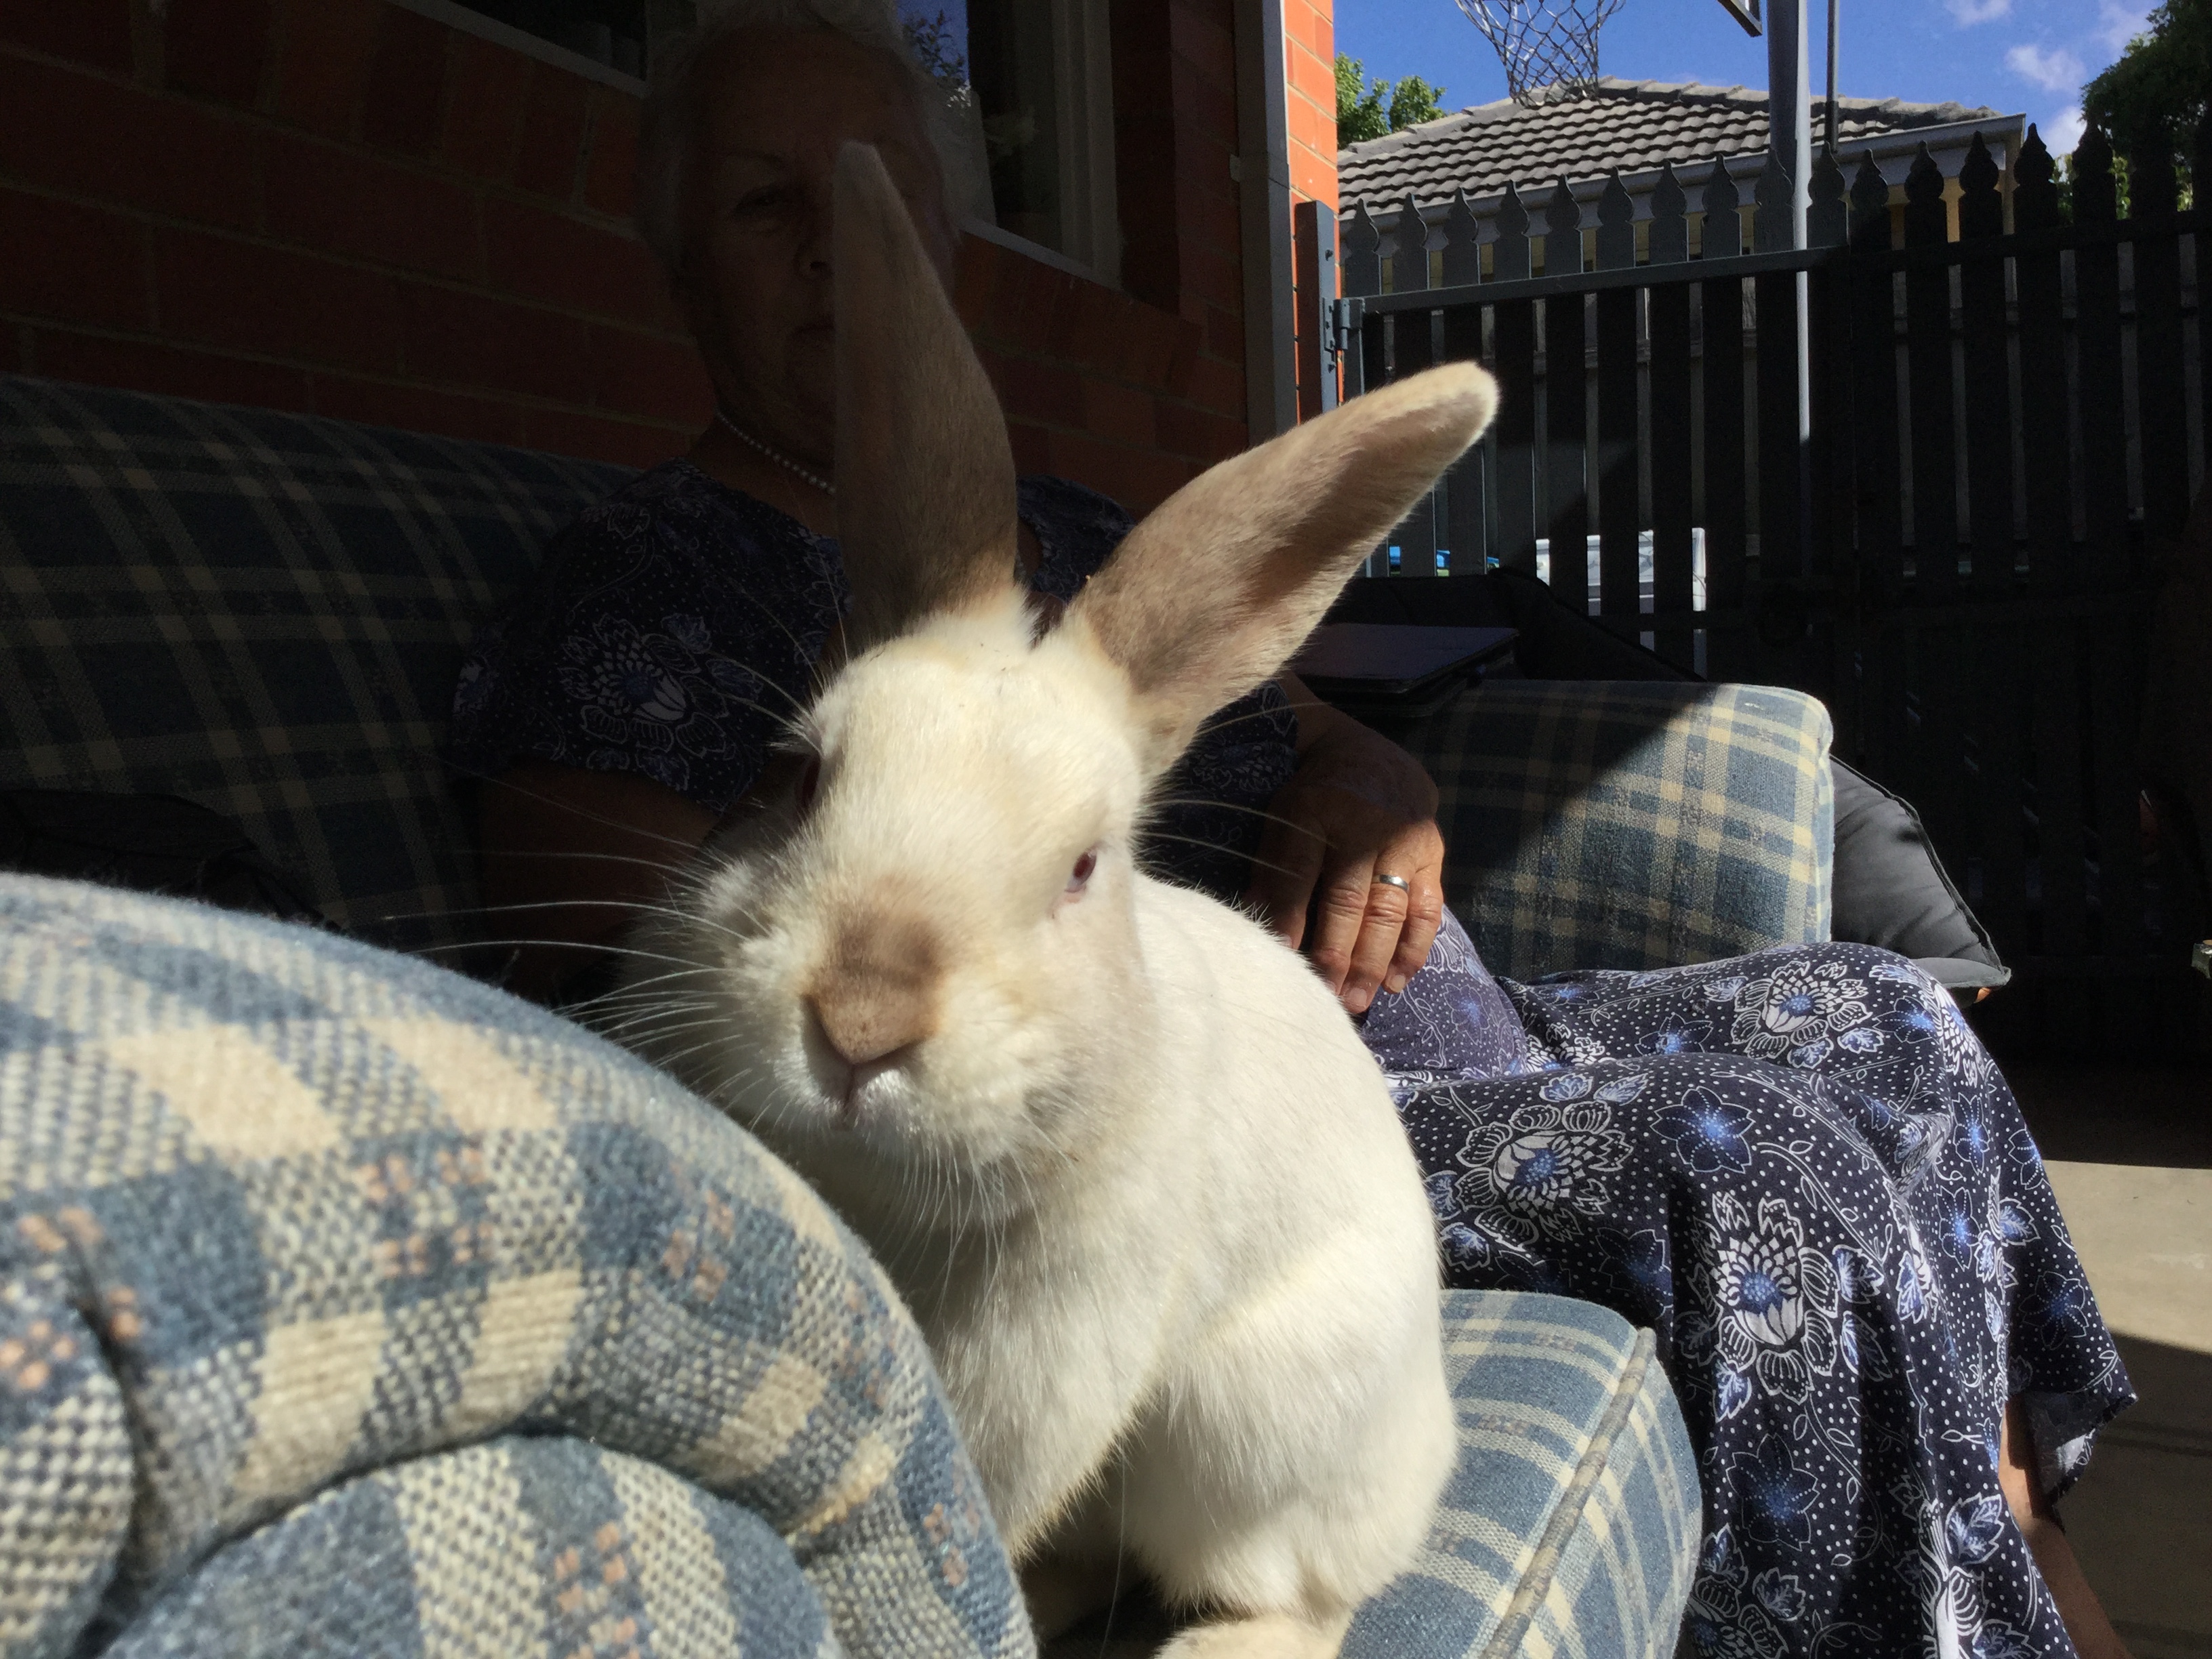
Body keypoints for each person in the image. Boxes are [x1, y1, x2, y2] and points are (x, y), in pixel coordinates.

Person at [447, 6, 2135, 1655]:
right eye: (767, 204)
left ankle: (2015, 1529)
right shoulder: (655, 579)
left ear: (937, 250)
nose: (832, 250)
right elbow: (616, 967)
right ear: (677, 262)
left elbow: (1296, 712)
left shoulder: (1060, 527)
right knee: (1771, 1175)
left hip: (1425, 1017)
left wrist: (1368, 786)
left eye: (867, 195)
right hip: (1257, 1113)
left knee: (1887, 1011)